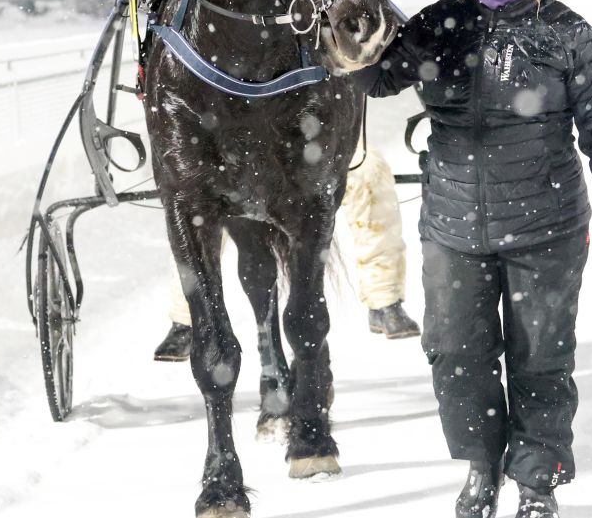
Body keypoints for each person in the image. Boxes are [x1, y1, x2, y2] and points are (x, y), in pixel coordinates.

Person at [354, 0, 592, 518]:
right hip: (454, 228)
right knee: (456, 354)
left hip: (545, 227)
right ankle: (481, 467)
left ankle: (538, 481)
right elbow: (372, 78)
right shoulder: (437, 25)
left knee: (540, 357)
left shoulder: (567, 34)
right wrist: (347, 27)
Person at [152, 144, 421, 360]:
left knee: (368, 170)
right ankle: (188, 313)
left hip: (314, 131)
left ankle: (384, 298)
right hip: (230, 133)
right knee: (197, 199)